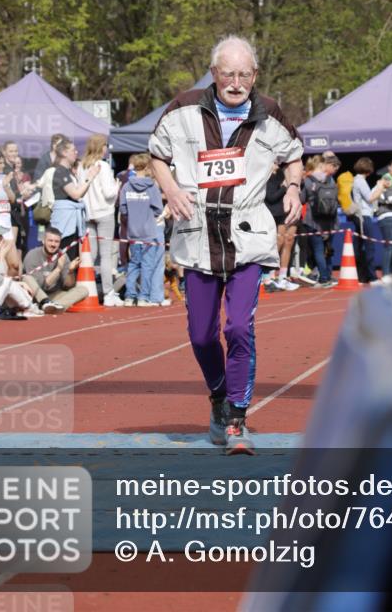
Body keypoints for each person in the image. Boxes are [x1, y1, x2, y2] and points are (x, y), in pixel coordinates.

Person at [149, 35, 303, 455]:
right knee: (201, 335)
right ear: (214, 73)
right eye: (228, 74)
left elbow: (294, 153)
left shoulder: (269, 112)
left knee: (237, 327)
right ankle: (218, 396)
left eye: (244, 74)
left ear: (254, 75)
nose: (236, 82)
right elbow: (156, 154)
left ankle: (237, 418)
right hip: (198, 235)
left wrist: (292, 188)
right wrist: (170, 190)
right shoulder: (182, 109)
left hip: (248, 235)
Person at [119, 153, 168, 307]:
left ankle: (129, 296)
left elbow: (123, 209)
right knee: (147, 264)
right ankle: (143, 297)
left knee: (134, 263)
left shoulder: (126, 186)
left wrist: (133, 216)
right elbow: (158, 208)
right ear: (147, 167)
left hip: (133, 230)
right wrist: (147, 215)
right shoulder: (152, 186)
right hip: (149, 230)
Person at [80, 134, 120, 307]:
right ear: (100, 147)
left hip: (88, 213)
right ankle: (108, 292)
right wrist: (117, 185)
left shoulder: (82, 166)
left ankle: (88, 289)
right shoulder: (103, 166)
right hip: (104, 212)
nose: (106, 149)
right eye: (105, 145)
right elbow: (109, 193)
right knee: (105, 256)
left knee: (90, 255)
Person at [50, 139, 100, 261]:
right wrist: (90, 178)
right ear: (64, 153)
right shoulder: (60, 172)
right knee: (67, 256)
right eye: (73, 150)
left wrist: (88, 179)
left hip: (72, 220)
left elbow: (79, 194)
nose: (76, 152)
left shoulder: (68, 172)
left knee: (75, 257)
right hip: (65, 221)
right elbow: (76, 194)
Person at [22, 226, 88, 311]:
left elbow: (68, 286)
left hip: (54, 295)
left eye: (57, 242)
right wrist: (58, 269)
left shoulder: (62, 255)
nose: (53, 244)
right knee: (27, 278)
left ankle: (55, 307)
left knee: (83, 290)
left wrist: (71, 272)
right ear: (43, 241)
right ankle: (45, 304)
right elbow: (42, 286)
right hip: (35, 295)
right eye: (50, 241)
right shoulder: (32, 255)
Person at [302, 154, 340, 287]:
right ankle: (328, 275)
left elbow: (302, 199)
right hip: (329, 220)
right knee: (327, 249)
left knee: (317, 250)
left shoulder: (309, 180)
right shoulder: (330, 180)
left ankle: (323, 278)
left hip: (313, 220)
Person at [351, 157, 388, 284]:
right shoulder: (360, 181)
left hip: (362, 215)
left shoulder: (357, 180)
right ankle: (371, 277)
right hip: (363, 216)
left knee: (361, 247)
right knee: (369, 247)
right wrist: (380, 186)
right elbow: (370, 198)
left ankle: (363, 276)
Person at [374, 157, 392, 281]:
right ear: (389, 168)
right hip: (386, 215)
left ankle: (391, 273)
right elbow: (385, 195)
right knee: (389, 245)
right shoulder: (386, 178)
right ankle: (386, 274)